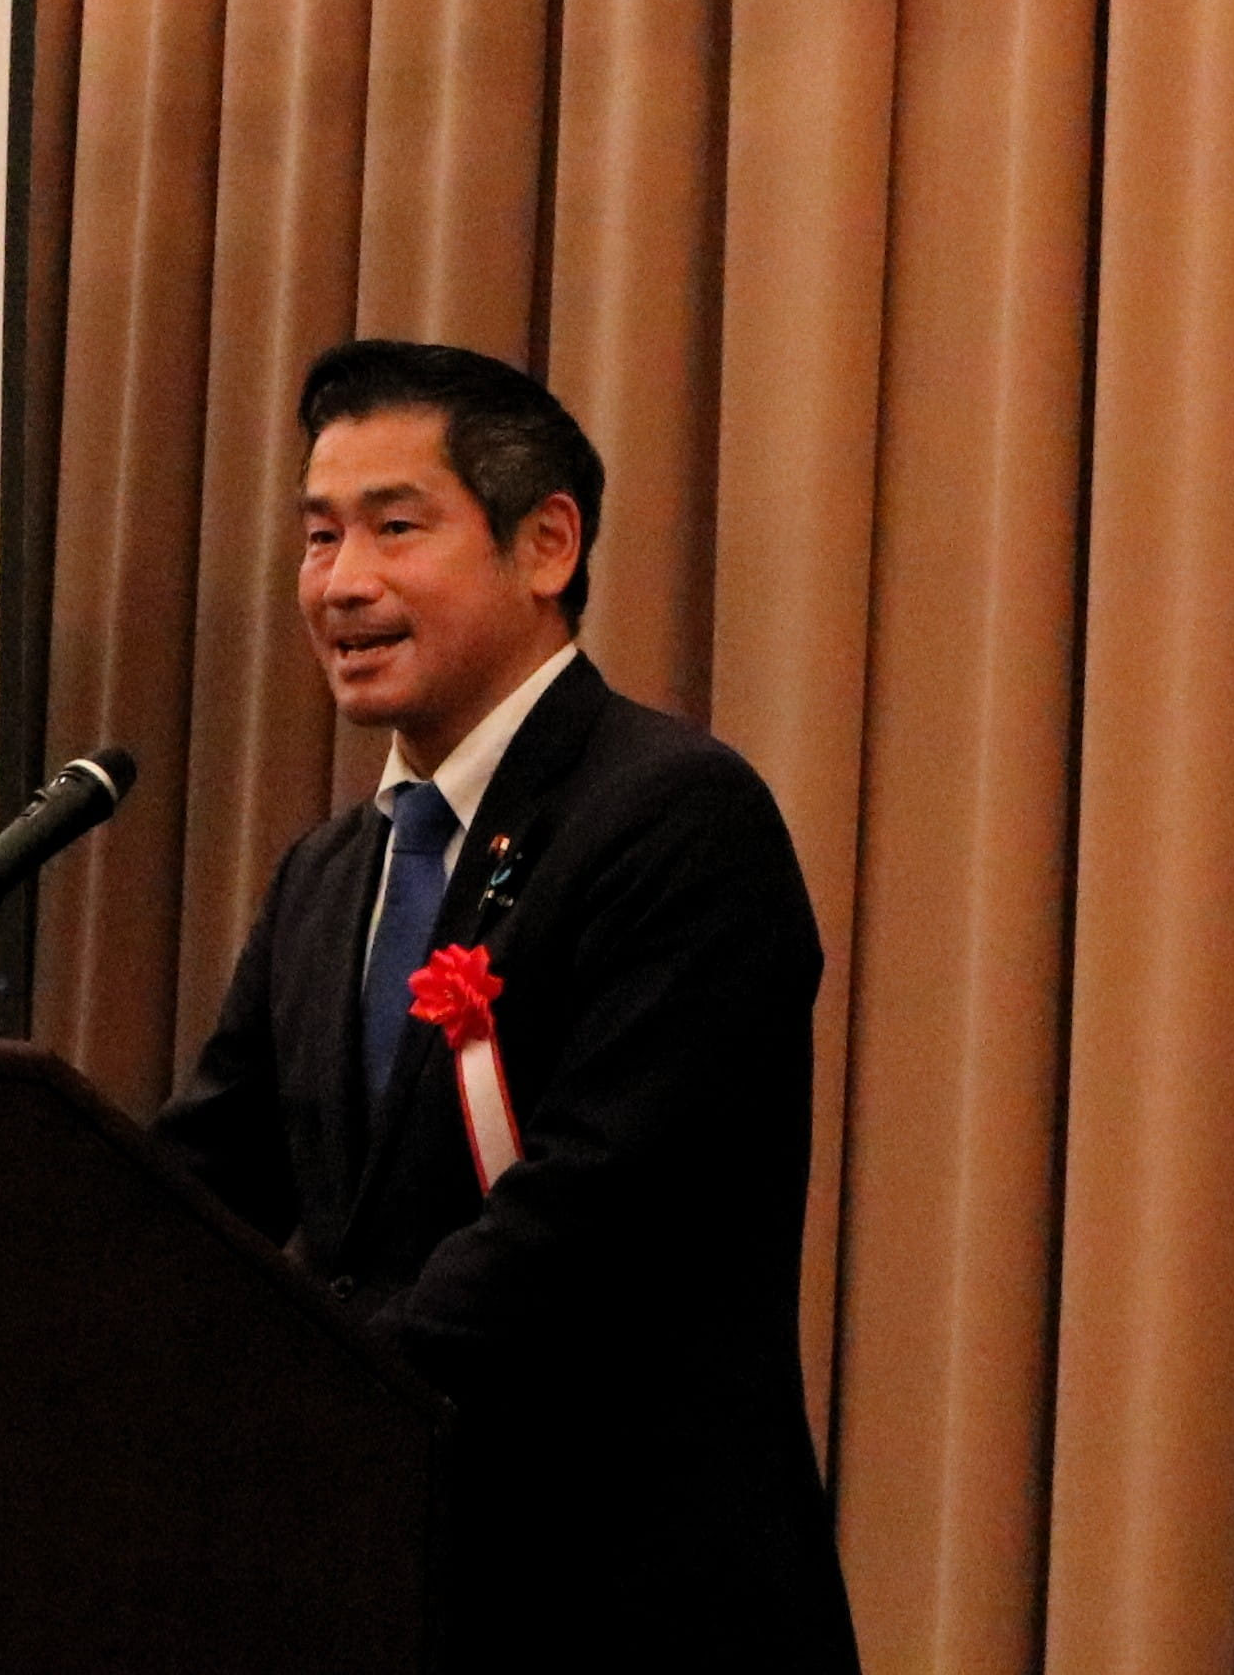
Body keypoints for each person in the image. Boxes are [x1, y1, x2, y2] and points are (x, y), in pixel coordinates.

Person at [152, 338, 863, 1675]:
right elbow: (203, 1185)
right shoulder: (330, 873)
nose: (340, 582)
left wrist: (317, 1397)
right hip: (389, 1587)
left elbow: (601, 1209)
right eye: (318, 536)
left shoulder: (674, 817)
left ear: (546, 546)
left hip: (628, 1600)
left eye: (394, 527)